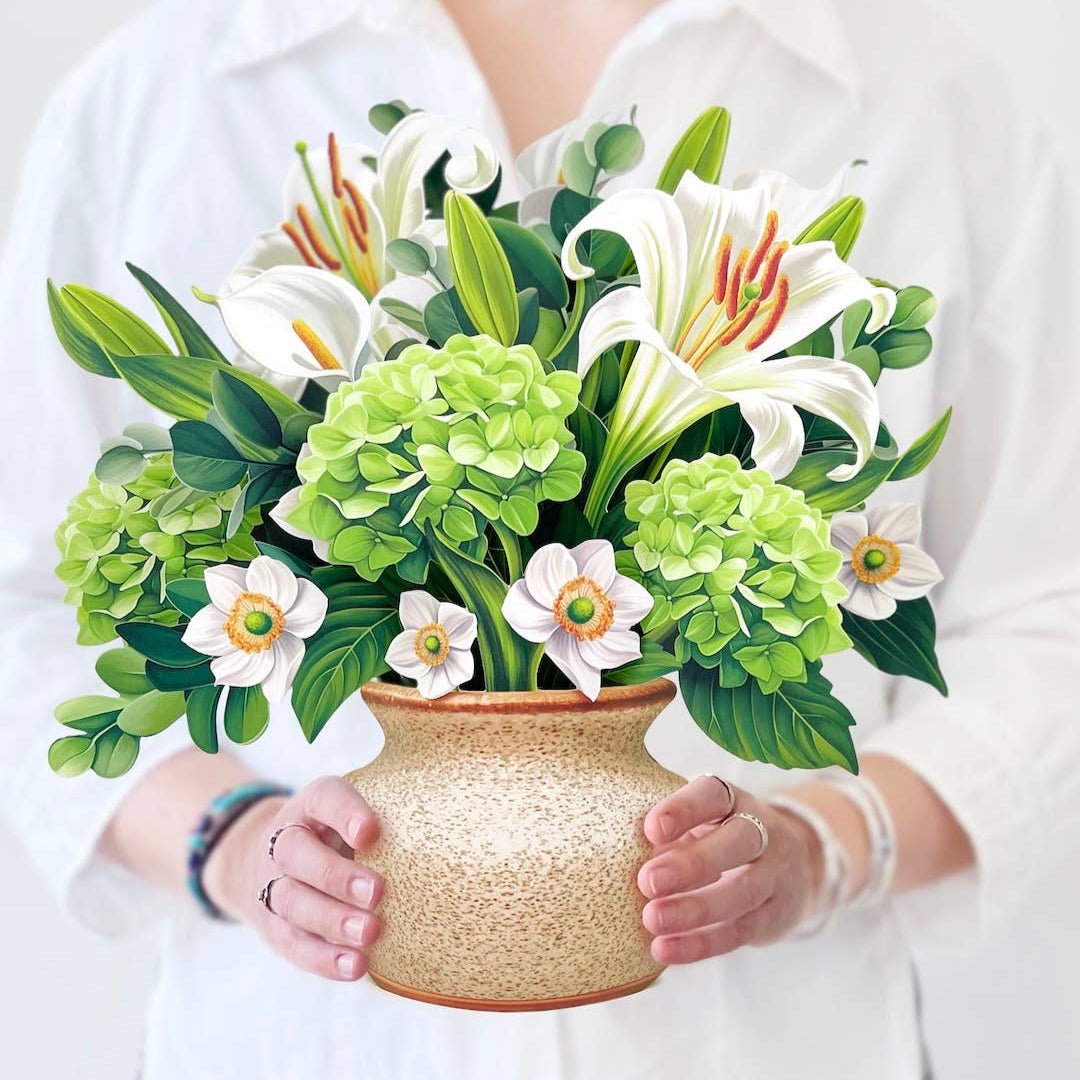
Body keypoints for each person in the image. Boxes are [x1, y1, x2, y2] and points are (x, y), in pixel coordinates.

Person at [2, 0, 1078, 1077]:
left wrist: (824, 848)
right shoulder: (156, 95)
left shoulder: (933, 100)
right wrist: (229, 842)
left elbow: (1050, 613)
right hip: (306, 1043)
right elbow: (27, 606)